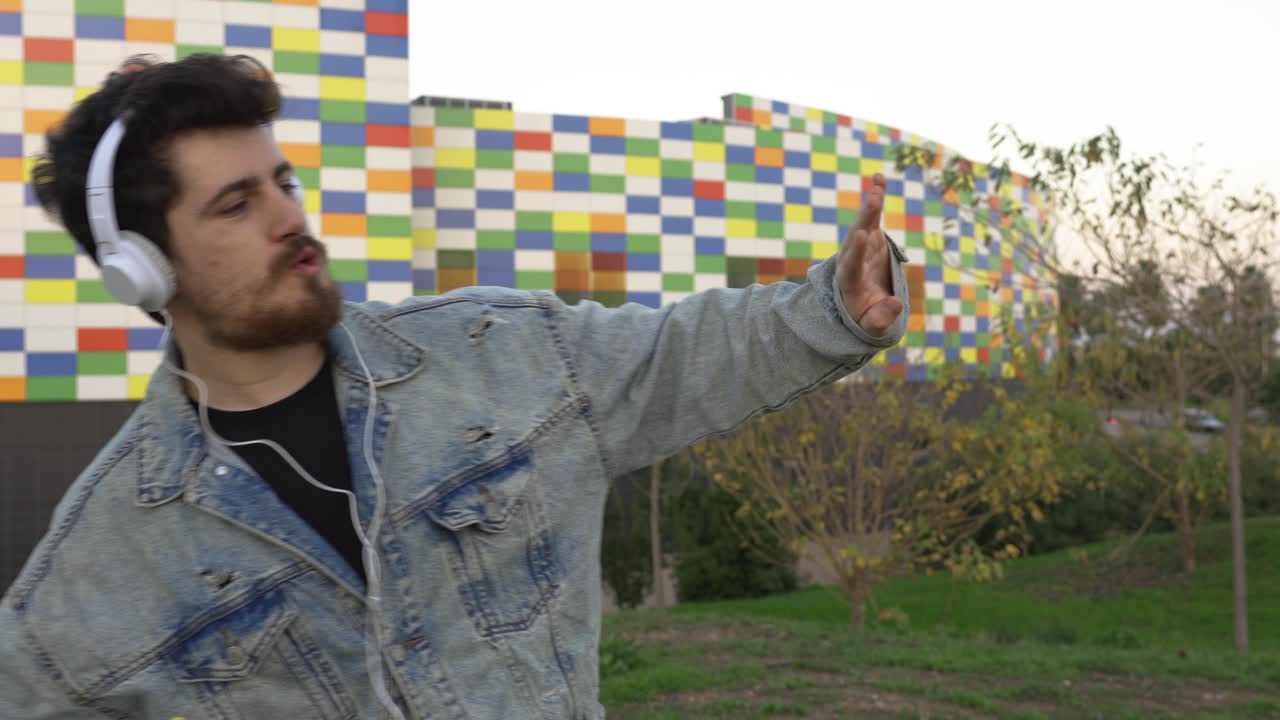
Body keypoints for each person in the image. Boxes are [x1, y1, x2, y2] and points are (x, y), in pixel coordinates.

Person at [0, 54, 908, 719]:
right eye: (236, 204)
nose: (290, 217)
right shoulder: (92, 575)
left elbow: (682, 353)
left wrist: (834, 307)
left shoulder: (497, 353)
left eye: (281, 180)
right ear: (144, 271)